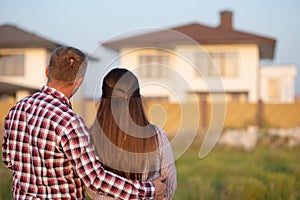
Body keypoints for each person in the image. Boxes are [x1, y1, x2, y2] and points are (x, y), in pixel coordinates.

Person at [2, 47, 167, 199]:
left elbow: (8, 160)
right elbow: (95, 179)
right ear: (79, 81)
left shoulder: (17, 109)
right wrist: (150, 190)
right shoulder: (70, 123)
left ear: (47, 71)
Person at [86, 68, 177, 200]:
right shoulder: (157, 136)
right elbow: (168, 189)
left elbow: (91, 187)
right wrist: (149, 192)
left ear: (103, 101)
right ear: (138, 101)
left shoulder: (89, 139)